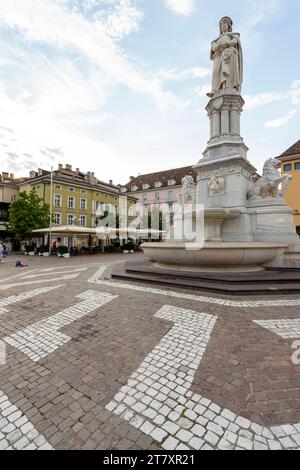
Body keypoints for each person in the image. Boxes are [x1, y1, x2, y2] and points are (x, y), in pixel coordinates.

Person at [210, 16, 243, 95]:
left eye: (225, 23)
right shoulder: (216, 39)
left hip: (229, 57)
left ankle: (229, 87)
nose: (223, 25)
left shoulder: (233, 35)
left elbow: (235, 42)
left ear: (229, 25)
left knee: (228, 72)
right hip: (218, 57)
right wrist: (217, 46)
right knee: (215, 72)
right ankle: (215, 90)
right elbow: (213, 48)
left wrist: (225, 44)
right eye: (221, 24)